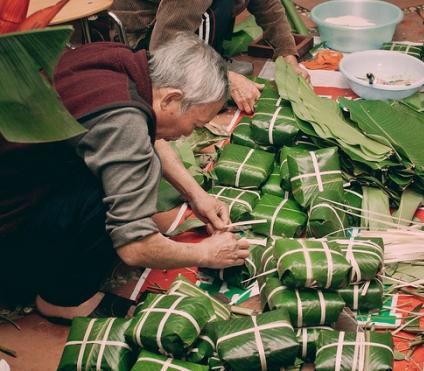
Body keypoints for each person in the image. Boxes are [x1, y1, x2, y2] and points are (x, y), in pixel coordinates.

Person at [0, 34, 249, 322]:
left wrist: (198, 196)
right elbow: (135, 247)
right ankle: (66, 298)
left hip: (21, 184)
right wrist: (205, 253)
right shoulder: (124, 123)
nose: (189, 134)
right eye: (195, 124)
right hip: (10, 238)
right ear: (171, 98)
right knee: (125, 183)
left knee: (132, 169)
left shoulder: (121, 62)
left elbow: (145, 134)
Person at [111, 0, 310, 113]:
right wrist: (224, 78)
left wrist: (287, 55)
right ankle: (207, 71)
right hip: (143, 41)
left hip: (174, 26)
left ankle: (211, 63)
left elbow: (268, 5)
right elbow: (164, 47)